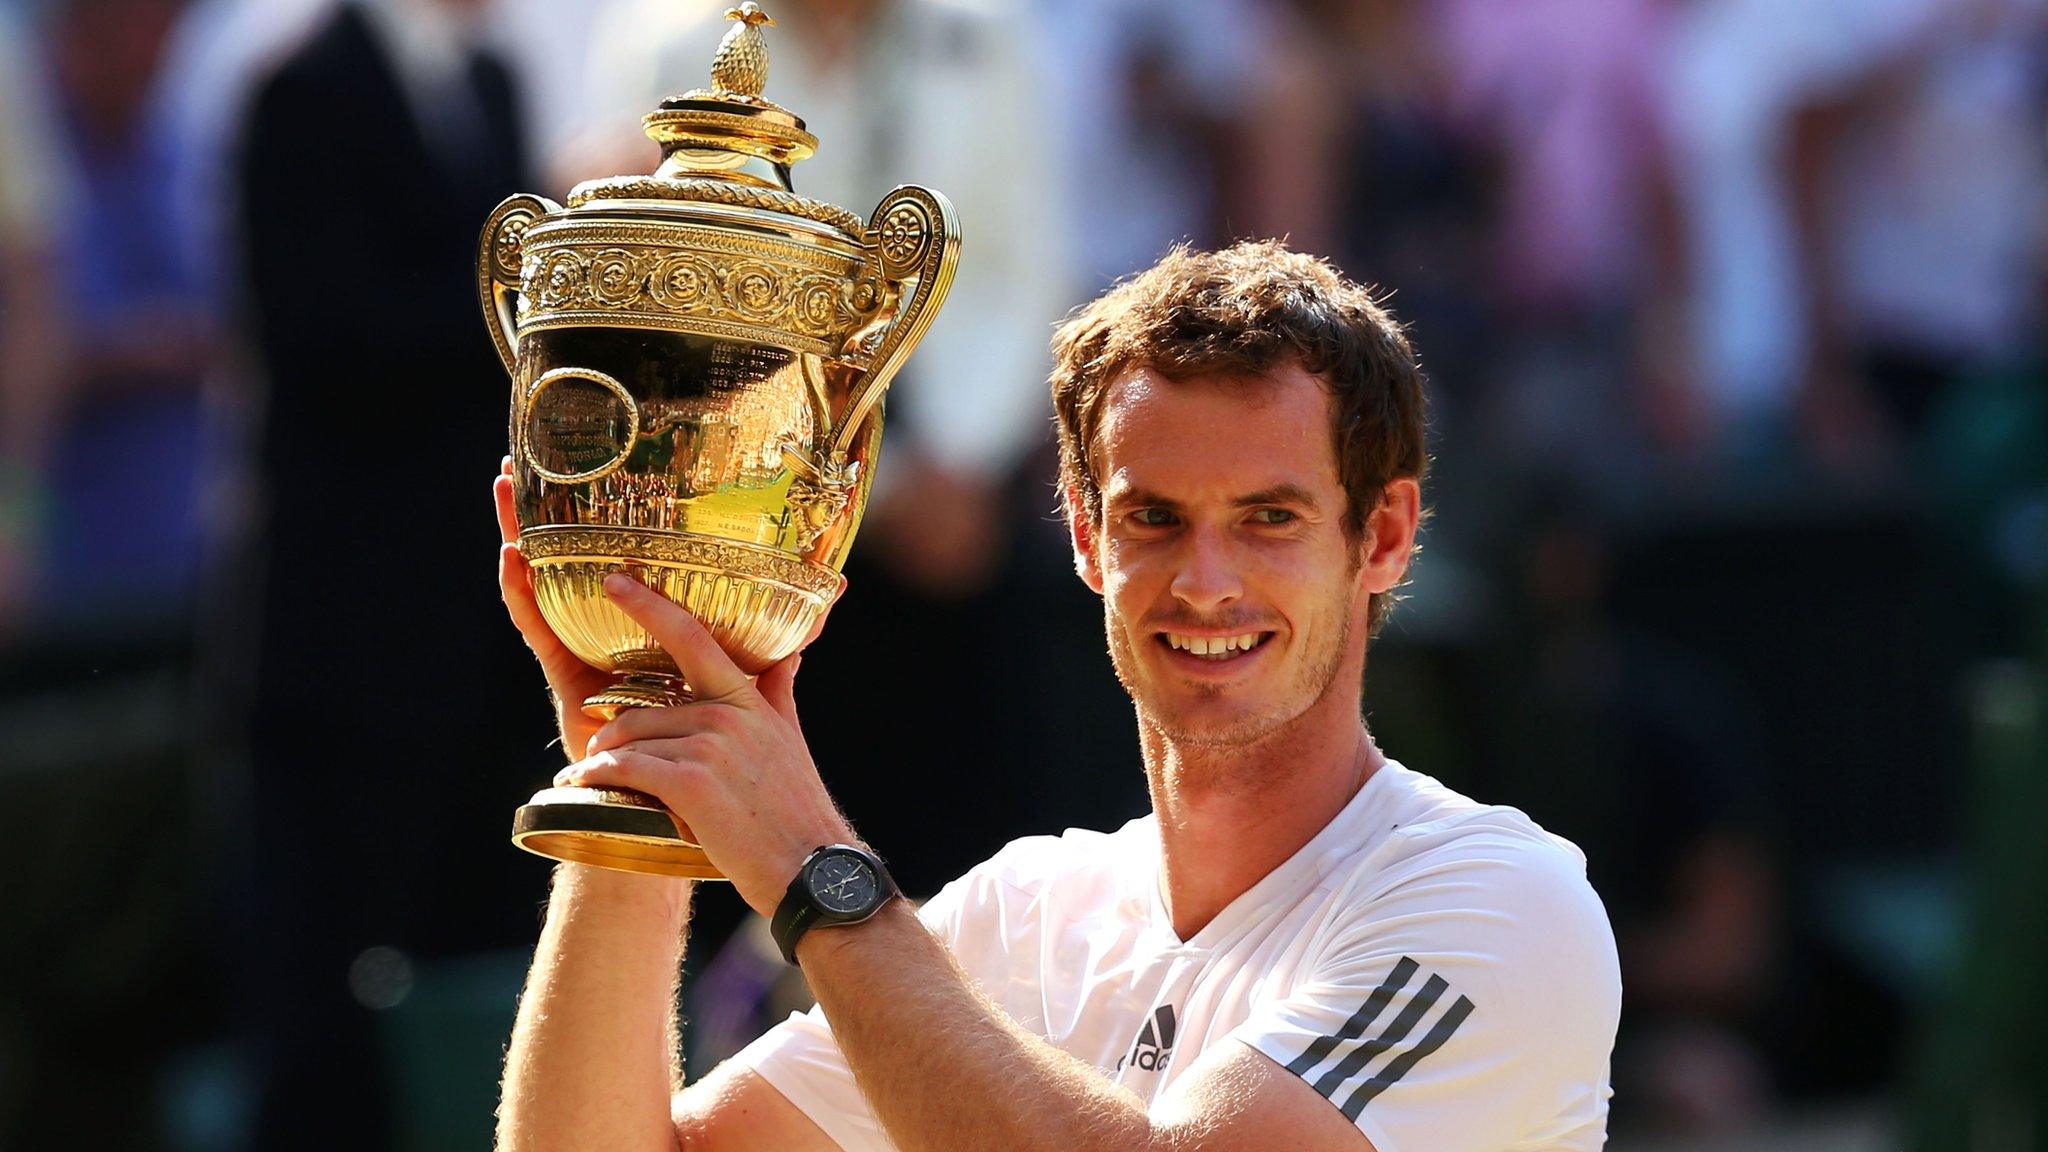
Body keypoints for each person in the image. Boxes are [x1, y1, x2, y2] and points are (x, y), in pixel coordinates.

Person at [493, 241, 1622, 1151]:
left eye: (1267, 519)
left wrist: (811, 873)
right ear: (1084, 537)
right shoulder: (1020, 913)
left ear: (1378, 538)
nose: (1204, 581)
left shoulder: (1499, 901)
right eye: (1152, 518)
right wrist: (636, 771)